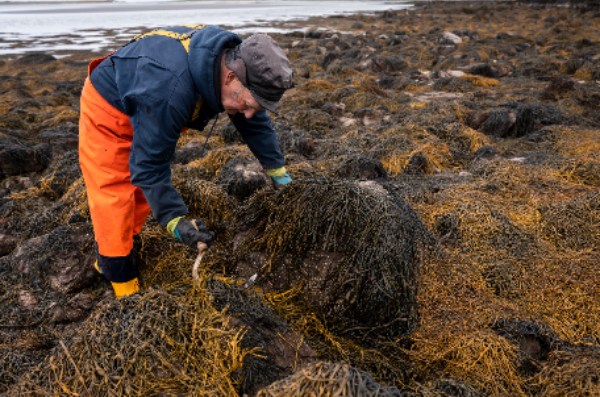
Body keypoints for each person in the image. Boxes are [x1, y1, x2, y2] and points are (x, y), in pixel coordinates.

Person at [79, 24, 294, 298]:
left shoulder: (235, 60)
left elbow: (255, 122)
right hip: (109, 104)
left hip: (151, 97)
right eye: (249, 104)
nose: (249, 114)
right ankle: (123, 287)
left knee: (144, 197)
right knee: (115, 194)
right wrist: (175, 221)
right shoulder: (170, 91)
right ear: (229, 78)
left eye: (256, 107)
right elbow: (149, 168)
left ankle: (120, 250)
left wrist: (278, 172)